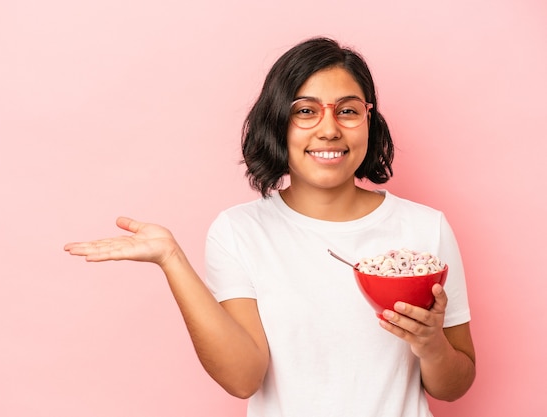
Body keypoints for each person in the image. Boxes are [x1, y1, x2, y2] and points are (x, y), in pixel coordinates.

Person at [64, 37, 476, 417]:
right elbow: (244, 378)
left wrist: (431, 345)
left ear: (370, 120)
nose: (329, 128)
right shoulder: (239, 231)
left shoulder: (425, 228)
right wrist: (171, 260)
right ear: (277, 122)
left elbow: (454, 386)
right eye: (305, 111)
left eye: (348, 110)